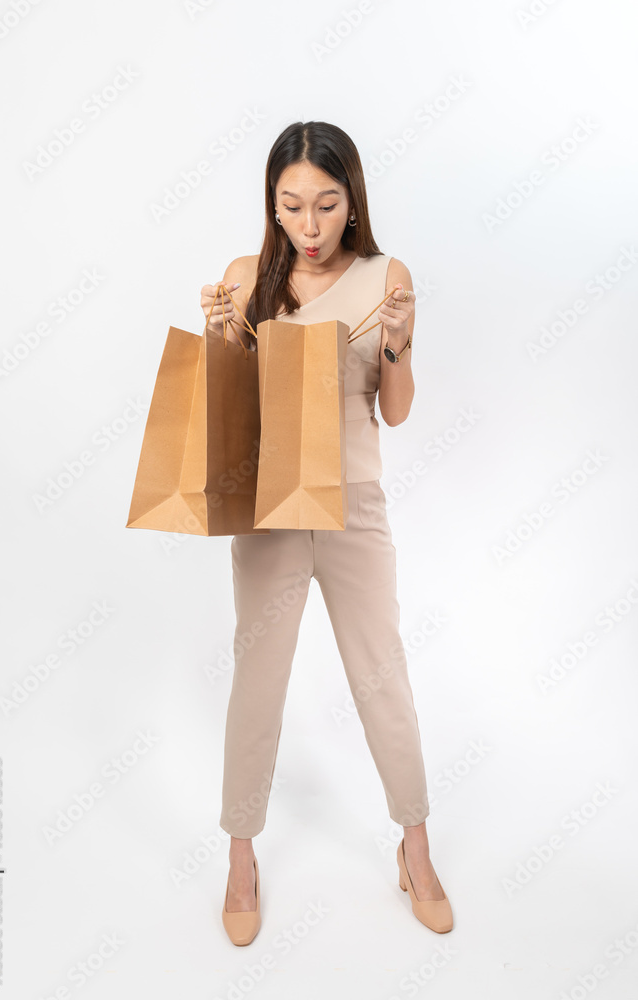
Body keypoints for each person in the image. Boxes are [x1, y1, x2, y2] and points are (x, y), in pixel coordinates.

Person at [199, 121, 453, 945]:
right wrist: (218, 343)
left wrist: (402, 344)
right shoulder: (248, 278)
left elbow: (395, 410)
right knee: (257, 680)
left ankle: (414, 846)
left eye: (326, 206)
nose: (308, 229)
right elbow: (225, 418)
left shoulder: (387, 276)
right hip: (271, 510)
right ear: (271, 207)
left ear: (354, 202)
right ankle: (241, 857)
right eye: (290, 208)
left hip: (356, 507)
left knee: (382, 675)